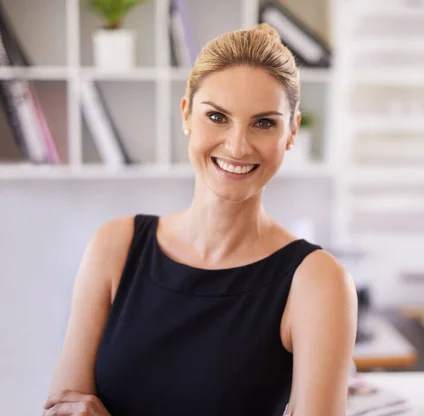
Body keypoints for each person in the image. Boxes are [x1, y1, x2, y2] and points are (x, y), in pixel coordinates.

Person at [42, 23, 357, 416]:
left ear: (291, 131)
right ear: (187, 114)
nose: (238, 145)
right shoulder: (115, 247)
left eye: (264, 122)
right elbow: (60, 410)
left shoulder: (317, 283)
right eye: (217, 116)